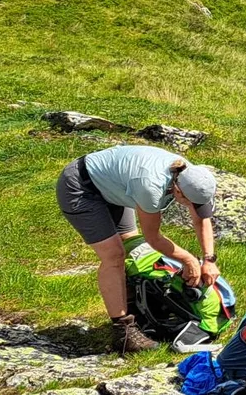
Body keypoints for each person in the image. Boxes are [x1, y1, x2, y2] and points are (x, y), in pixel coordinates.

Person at [56, 144, 221, 353]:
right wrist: (189, 260)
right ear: (178, 191)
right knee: (114, 255)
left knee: (132, 246)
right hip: (81, 187)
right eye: (189, 203)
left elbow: (201, 219)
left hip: (114, 185)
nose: (193, 208)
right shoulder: (151, 186)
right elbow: (153, 237)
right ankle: (124, 333)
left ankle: (136, 312)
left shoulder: (194, 178)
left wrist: (208, 260)